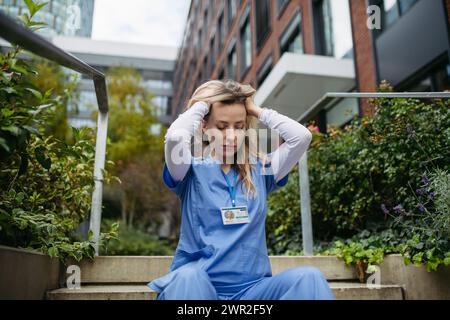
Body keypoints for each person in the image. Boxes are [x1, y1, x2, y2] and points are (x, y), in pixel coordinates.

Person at [147, 80, 334, 300]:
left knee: (309, 278)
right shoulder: (189, 170)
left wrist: (256, 110)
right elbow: (176, 137)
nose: (231, 136)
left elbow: (301, 137)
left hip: (252, 293)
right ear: (204, 125)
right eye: (222, 126)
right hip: (200, 291)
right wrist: (201, 106)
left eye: (239, 126)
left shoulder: (262, 172)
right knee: (187, 277)